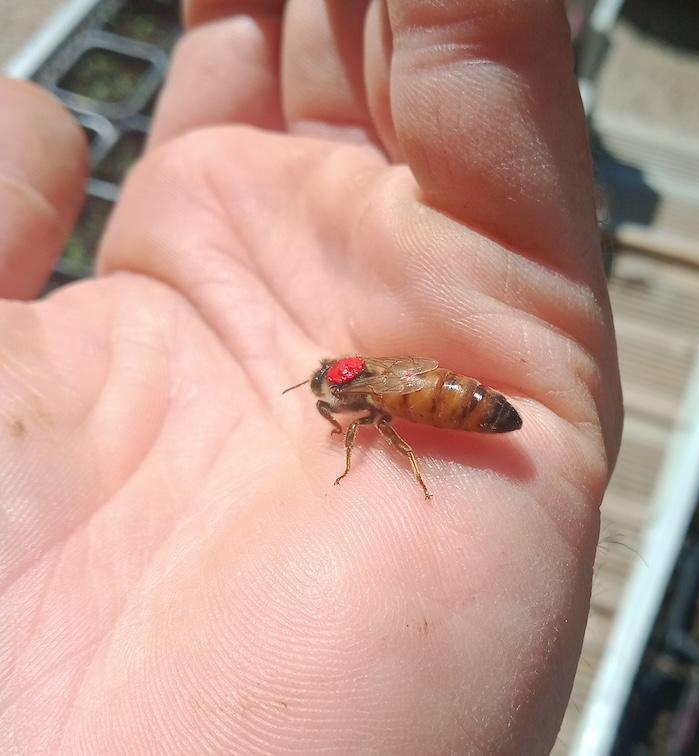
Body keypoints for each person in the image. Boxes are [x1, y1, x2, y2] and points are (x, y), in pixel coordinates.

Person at [0, 1, 623, 753]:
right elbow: (406, 374)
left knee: (390, 429)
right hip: (458, 398)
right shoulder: (374, 376)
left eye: (329, 390)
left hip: (456, 405)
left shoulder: (360, 402)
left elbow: (372, 410)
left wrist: (373, 450)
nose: (330, 398)